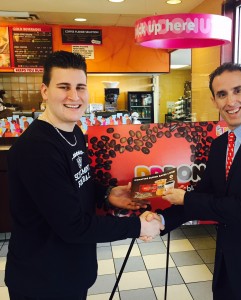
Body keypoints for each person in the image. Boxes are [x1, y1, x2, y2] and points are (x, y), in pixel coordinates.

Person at [5, 50, 163, 300]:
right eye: (64, 87)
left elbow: (78, 183)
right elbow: (73, 226)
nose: (74, 96)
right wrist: (138, 225)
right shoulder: (36, 150)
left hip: (71, 270)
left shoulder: (74, 132)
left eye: (80, 87)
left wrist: (109, 193)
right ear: (45, 91)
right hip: (42, 281)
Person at [149, 62, 241, 299]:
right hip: (228, 267)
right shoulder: (220, 146)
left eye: (237, 90)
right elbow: (203, 194)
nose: (231, 101)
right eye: (222, 94)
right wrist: (161, 220)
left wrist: (186, 198)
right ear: (214, 101)